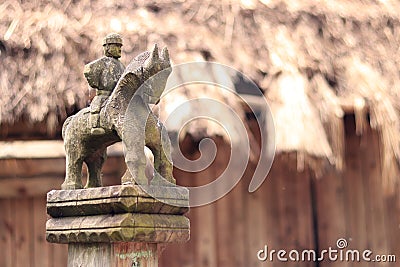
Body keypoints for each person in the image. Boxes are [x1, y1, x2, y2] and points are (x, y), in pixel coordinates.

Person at [84, 33, 125, 135]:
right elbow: (88, 69)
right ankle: (95, 125)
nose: (119, 49)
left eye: (120, 46)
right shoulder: (101, 63)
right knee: (97, 104)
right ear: (107, 47)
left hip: (117, 96)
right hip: (104, 94)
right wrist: (95, 82)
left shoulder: (121, 66)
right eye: (116, 46)